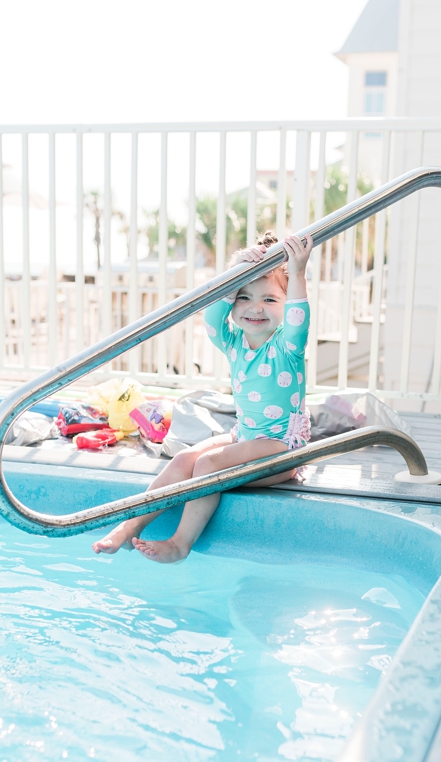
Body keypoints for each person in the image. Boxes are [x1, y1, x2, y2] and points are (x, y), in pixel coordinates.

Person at [92, 230, 313, 563]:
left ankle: (180, 543)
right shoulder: (235, 341)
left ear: (285, 304)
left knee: (208, 464)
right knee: (183, 460)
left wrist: (297, 272)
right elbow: (211, 317)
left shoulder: (287, 346)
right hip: (248, 436)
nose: (255, 308)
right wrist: (236, 269)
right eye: (243, 296)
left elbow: (299, 318)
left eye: (269, 299)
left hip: (283, 447)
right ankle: (130, 526)